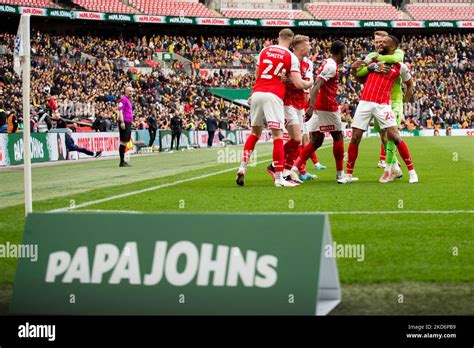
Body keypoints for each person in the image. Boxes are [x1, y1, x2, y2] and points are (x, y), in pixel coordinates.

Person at [236, 28, 313, 187]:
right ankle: (279, 178)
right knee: (278, 136)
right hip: (274, 95)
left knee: (254, 133)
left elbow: (258, 74)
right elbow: (298, 83)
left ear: (278, 37)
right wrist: (310, 83)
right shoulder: (290, 56)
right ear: (291, 41)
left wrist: (253, 92)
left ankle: (242, 167)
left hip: (257, 94)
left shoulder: (264, 51)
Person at [340, 35, 418, 184]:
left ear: (393, 47)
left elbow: (409, 83)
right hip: (365, 102)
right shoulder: (373, 59)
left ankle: (412, 172)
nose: (380, 44)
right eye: (379, 42)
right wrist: (367, 66)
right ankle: (349, 175)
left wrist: (404, 102)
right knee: (355, 137)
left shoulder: (400, 66)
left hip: (383, 105)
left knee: (394, 137)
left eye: (385, 42)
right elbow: (356, 70)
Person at [291, 41, 348, 184]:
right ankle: (340, 175)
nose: (347, 53)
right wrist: (310, 107)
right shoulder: (331, 66)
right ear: (341, 51)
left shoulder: (327, 63)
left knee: (317, 141)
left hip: (318, 105)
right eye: (345, 50)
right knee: (338, 136)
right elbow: (317, 86)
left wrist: (312, 105)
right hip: (326, 105)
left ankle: (294, 169)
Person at [356, 31, 405, 170]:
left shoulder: (397, 53)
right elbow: (359, 71)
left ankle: (393, 165)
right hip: (376, 99)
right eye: (376, 42)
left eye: (381, 42)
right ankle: (390, 161)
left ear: (388, 43)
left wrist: (376, 59)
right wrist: (369, 65)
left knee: (392, 133)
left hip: (393, 100)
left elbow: (397, 59)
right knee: (382, 133)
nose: (379, 44)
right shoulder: (372, 56)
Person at [117, 86, 134, 167]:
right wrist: (122, 122)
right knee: (123, 141)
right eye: (129, 91)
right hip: (125, 122)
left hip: (128, 122)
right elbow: (120, 110)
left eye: (132, 91)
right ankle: (121, 161)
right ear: (125, 91)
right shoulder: (123, 99)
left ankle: (123, 160)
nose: (131, 93)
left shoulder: (128, 100)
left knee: (126, 141)